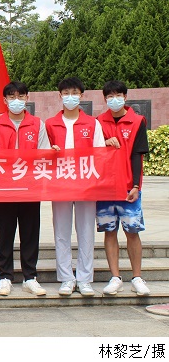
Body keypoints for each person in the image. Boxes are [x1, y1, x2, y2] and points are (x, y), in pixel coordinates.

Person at [0, 81, 51, 296]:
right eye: (12, 97)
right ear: (4, 100)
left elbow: (44, 154)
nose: (16, 101)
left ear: (27, 98)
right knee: (5, 233)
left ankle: (30, 277)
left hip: (30, 188)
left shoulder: (37, 124)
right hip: (3, 189)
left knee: (30, 233)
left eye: (20, 96)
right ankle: (5, 276)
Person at [45, 78, 105, 297]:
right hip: (60, 184)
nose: (70, 96)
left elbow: (100, 153)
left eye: (75, 92)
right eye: (66, 93)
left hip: (85, 185)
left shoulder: (92, 124)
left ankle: (85, 279)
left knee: (86, 231)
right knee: (61, 232)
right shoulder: (51, 124)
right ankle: (66, 278)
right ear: (60, 95)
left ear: (81, 95)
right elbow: (42, 154)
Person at [96, 80, 151, 296]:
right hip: (105, 188)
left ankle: (137, 277)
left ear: (125, 97)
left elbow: (138, 155)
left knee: (132, 232)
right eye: (110, 96)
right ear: (105, 99)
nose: (114, 99)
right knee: (109, 231)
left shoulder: (137, 121)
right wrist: (104, 142)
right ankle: (115, 277)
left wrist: (136, 185)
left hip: (129, 188)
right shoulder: (99, 122)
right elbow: (92, 151)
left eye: (118, 95)